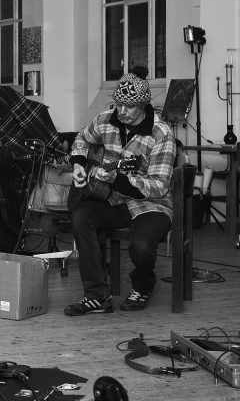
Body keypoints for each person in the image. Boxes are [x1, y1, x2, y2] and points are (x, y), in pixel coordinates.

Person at [64, 73, 176, 316]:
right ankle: (96, 296)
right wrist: (79, 164)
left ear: (143, 105)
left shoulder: (161, 134)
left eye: (130, 106)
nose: (122, 111)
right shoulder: (105, 120)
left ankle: (143, 285)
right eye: (119, 104)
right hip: (112, 200)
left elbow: (159, 186)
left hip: (152, 204)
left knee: (142, 246)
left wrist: (120, 179)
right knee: (81, 217)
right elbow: (81, 139)